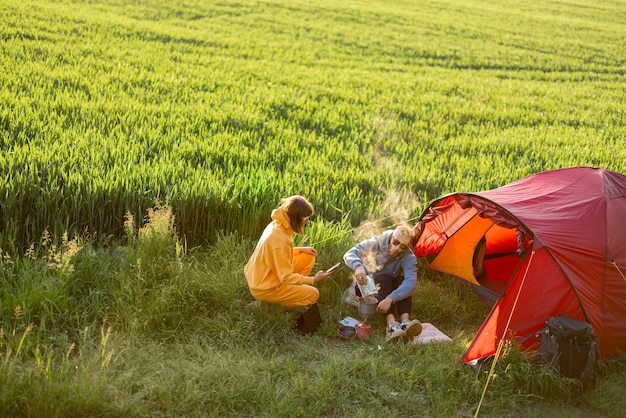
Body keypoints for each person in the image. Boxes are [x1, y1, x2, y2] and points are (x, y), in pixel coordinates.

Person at [244, 195, 333, 309]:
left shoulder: (278, 223)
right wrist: (314, 279)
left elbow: (275, 254)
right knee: (313, 295)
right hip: (265, 288)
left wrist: (300, 249)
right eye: (305, 219)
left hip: (264, 276)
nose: (306, 223)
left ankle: (292, 291)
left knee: (307, 256)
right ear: (296, 219)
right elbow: (285, 276)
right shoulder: (279, 240)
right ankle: (268, 304)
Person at [343, 224, 422, 342]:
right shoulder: (376, 243)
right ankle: (391, 325)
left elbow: (411, 282)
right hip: (368, 289)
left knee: (401, 281)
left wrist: (390, 298)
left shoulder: (408, 256)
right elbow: (349, 253)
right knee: (385, 277)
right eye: (395, 242)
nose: (396, 248)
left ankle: (405, 322)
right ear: (391, 237)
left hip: (387, 292)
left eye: (403, 246)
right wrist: (358, 267)